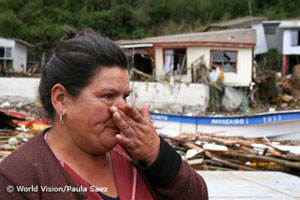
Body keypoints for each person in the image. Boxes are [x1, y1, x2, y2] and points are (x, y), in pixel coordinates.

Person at [0, 29, 208, 200]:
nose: (123, 108)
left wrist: (159, 155)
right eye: (108, 96)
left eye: (125, 96)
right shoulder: (17, 179)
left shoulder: (137, 154)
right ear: (61, 99)